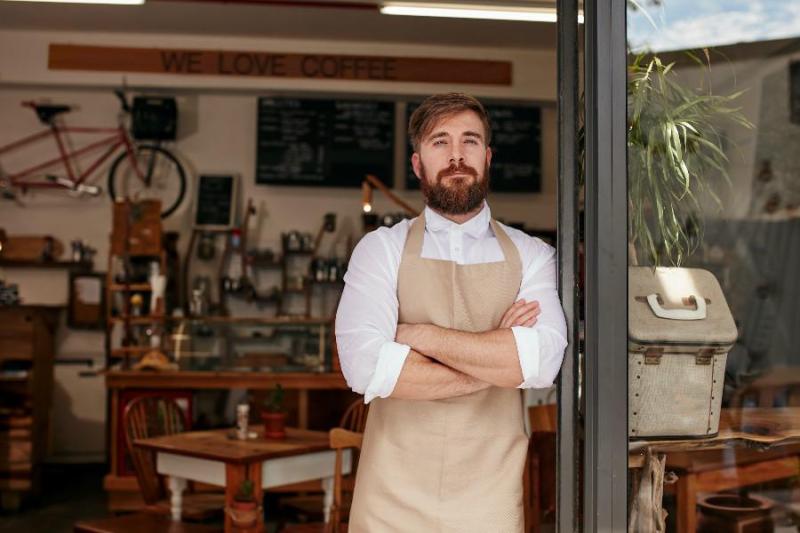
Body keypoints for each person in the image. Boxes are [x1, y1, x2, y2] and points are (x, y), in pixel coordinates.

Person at [335, 92, 567, 532]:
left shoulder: (534, 255)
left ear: (488, 157)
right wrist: (495, 361)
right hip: (390, 495)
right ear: (418, 163)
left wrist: (417, 335)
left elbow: (540, 364)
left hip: (490, 495)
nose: (457, 155)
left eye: (470, 141)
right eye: (440, 142)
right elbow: (366, 369)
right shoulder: (380, 250)